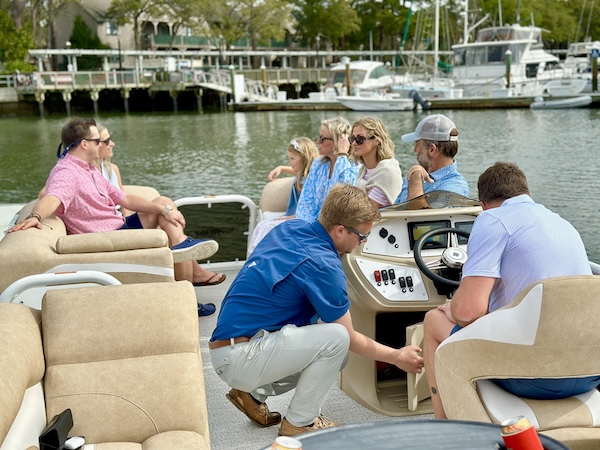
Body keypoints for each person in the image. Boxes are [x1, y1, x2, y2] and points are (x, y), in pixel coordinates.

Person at [209, 184, 424, 437]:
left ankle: (251, 395)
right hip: (239, 358)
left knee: (336, 349)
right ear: (340, 230)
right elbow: (350, 338)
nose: (362, 243)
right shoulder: (324, 265)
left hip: (228, 348)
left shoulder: (290, 228)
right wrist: (398, 356)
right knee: (338, 339)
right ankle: (300, 422)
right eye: (362, 237)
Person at [423, 161, 596, 419]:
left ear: (483, 204)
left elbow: (469, 312)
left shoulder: (491, 219)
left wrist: (453, 308)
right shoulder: (563, 223)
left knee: (433, 321)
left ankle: (444, 430)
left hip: (532, 375)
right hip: (589, 370)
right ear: (527, 194)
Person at [8, 118, 225, 316]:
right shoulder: (67, 172)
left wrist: (164, 210)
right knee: (164, 214)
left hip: (119, 227)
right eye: (97, 141)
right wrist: (36, 215)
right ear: (84, 144)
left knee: (164, 202)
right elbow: (54, 197)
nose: (100, 145)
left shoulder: (88, 170)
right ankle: (186, 296)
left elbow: (124, 198)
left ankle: (180, 245)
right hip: (109, 237)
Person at [247, 137, 318, 255]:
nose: (290, 162)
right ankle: (254, 259)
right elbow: (296, 170)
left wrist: (284, 218)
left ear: (304, 159)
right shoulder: (303, 173)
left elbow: (307, 211)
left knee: (266, 227)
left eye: (292, 159)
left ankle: (256, 259)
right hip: (294, 215)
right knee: (262, 225)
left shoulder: (309, 181)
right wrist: (281, 168)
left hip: (300, 217)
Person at [295, 117, 358, 222]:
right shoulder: (319, 164)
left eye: (322, 138)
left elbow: (340, 195)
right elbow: (306, 201)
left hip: (332, 228)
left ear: (337, 142)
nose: (317, 141)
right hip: (310, 225)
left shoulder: (353, 167)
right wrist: (307, 226)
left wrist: (342, 154)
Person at [395, 114, 468, 204]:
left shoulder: (455, 187)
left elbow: (420, 216)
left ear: (432, 149)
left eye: (417, 144)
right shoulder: (414, 177)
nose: (415, 150)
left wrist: (415, 177)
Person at [351, 117, 402, 208]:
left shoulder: (386, 172)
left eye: (359, 139)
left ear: (376, 140)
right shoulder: (362, 171)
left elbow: (367, 210)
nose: (354, 143)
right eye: (352, 139)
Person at [93, 125, 132, 217]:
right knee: (162, 206)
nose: (112, 144)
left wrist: (130, 225)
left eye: (110, 139)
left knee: (164, 207)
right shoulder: (86, 174)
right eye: (106, 141)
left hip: (121, 219)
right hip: (109, 223)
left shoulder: (113, 169)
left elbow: (124, 204)